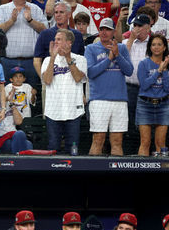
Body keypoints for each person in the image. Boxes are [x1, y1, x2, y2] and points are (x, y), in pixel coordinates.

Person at [85, 17, 134, 156]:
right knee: (98, 139)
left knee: (117, 141)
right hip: (99, 100)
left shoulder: (122, 48)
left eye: (108, 29)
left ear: (114, 32)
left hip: (119, 100)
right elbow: (91, 73)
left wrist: (117, 55)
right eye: (102, 29)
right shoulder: (91, 48)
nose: (104, 32)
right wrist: (109, 59)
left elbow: (129, 71)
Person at [0, 0, 47, 92]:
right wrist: (11, 21)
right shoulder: (3, 9)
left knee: (32, 95)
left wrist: (30, 20)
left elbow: (44, 30)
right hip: (8, 61)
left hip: (31, 61)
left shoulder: (35, 9)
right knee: (7, 94)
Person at [41, 29, 87, 153]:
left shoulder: (81, 59)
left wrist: (68, 58)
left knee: (73, 149)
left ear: (69, 42)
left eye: (59, 39)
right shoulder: (47, 60)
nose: (55, 42)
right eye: (55, 39)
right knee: (53, 147)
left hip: (73, 111)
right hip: (53, 111)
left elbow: (78, 78)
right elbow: (47, 80)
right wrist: (52, 58)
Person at [136, 34, 169, 156]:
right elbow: (144, 85)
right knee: (145, 141)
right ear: (149, 47)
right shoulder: (143, 64)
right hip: (145, 104)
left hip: (163, 105)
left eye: (159, 44)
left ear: (164, 47)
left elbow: (168, 88)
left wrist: (164, 71)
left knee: (160, 142)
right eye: (153, 44)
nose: (156, 47)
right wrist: (158, 71)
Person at [123, 13, 153, 134]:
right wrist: (131, 39)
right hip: (129, 87)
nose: (137, 28)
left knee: (146, 119)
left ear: (148, 27)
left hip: (148, 88)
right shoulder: (126, 42)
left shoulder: (154, 43)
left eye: (140, 26)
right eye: (135, 25)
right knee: (129, 118)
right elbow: (121, 58)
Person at [0, 67, 34, 153]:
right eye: (15, 76)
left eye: (20, 76)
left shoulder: (27, 87)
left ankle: (19, 164)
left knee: (27, 143)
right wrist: (9, 100)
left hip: (20, 128)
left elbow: (19, 122)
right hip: (4, 136)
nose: (18, 78)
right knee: (19, 136)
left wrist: (11, 103)